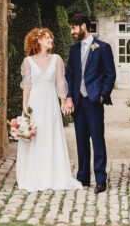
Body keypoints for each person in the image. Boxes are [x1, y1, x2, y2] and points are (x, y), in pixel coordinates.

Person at [15, 27, 83, 192]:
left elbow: (60, 81)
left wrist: (63, 101)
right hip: (35, 101)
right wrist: (25, 106)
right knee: (36, 136)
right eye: (47, 38)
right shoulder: (28, 61)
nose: (50, 41)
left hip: (50, 101)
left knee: (50, 134)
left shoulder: (57, 59)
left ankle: (54, 175)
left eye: (50, 38)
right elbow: (27, 85)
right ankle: (35, 176)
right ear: (38, 40)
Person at [63, 13, 116, 193]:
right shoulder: (74, 50)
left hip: (93, 101)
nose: (72, 31)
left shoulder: (102, 48)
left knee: (97, 139)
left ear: (84, 26)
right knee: (81, 140)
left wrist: (102, 95)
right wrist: (69, 96)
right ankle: (83, 177)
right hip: (78, 101)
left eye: (74, 27)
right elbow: (70, 74)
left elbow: (110, 75)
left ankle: (101, 179)